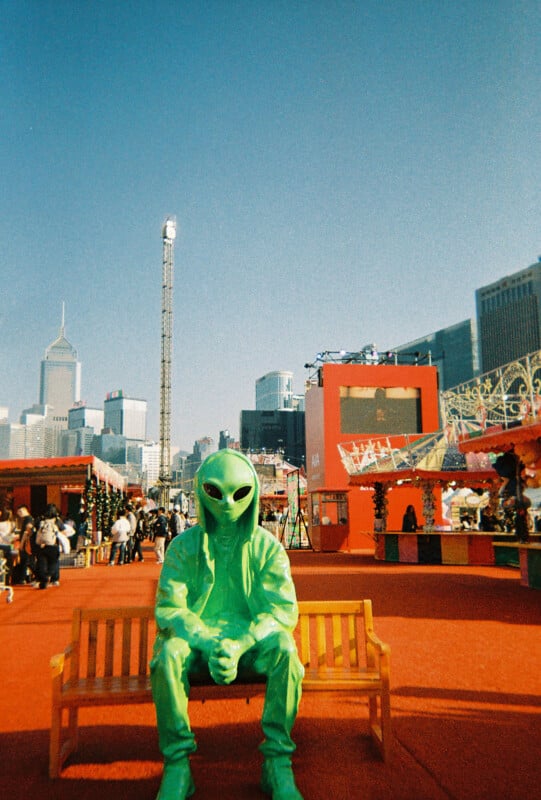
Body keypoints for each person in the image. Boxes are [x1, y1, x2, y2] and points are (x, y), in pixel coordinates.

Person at [151, 449, 304, 800]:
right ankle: (177, 765)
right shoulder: (181, 548)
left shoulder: (268, 548)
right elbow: (170, 609)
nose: (228, 503)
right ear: (200, 491)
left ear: (252, 491)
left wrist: (241, 642)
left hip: (250, 651)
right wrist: (206, 641)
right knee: (169, 653)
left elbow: (282, 610)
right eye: (216, 492)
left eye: (238, 493)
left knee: (284, 649)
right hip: (197, 651)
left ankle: (277, 762)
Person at [35, 504, 61, 589]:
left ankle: (43, 579)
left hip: (41, 545)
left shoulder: (40, 520)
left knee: (41, 563)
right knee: (53, 562)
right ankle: (51, 577)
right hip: (53, 545)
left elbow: (35, 529)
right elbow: (65, 531)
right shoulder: (57, 521)